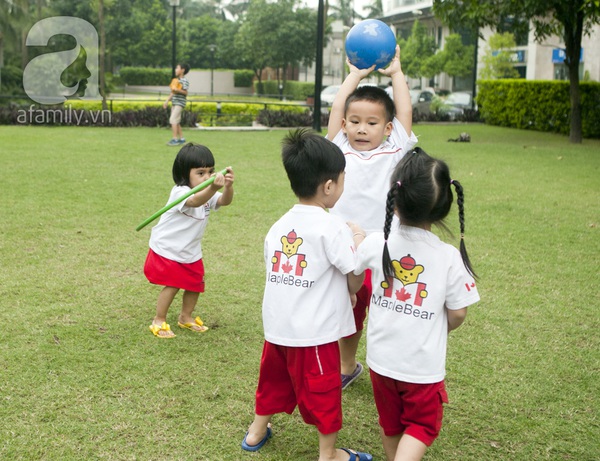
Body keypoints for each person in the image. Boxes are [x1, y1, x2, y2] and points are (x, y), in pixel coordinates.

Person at [242, 129, 372, 461]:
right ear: (329, 186)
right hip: (313, 335)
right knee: (324, 392)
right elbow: (354, 279)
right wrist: (357, 241)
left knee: (272, 381)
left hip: (277, 329)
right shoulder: (333, 227)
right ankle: (329, 454)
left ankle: (256, 431)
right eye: (342, 181)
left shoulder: (278, 226)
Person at [354, 147, 480, 461]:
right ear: (443, 209)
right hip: (421, 367)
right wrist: (439, 325)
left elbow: (353, 276)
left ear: (394, 203)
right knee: (422, 425)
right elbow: (459, 312)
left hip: (381, 362)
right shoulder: (449, 256)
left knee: (391, 422)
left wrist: (357, 239)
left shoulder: (376, 242)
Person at [326, 45, 418, 389]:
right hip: (341, 247)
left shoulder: (395, 151)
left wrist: (395, 74)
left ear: (388, 127)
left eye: (371, 123)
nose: (361, 129)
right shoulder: (338, 148)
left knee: (382, 310)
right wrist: (354, 74)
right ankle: (345, 365)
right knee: (346, 309)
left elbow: (404, 110)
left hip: (381, 247)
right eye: (355, 122)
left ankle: (388, 370)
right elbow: (338, 106)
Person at [144, 143, 234, 338]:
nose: (207, 177)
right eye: (200, 173)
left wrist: (228, 187)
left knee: (195, 283)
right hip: (169, 247)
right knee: (173, 283)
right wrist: (211, 188)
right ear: (185, 173)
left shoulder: (207, 192)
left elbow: (224, 201)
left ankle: (185, 317)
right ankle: (159, 319)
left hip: (190, 250)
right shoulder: (180, 192)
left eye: (210, 171)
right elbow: (194, 201)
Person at [163, 63, 191, 146]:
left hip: (180, 103)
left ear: (182, 70)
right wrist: (167, 101)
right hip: (174, 103)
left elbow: (185, 92)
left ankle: (175, 139)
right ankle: (182, 139)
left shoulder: (184, 81)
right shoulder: (176, 80)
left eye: (177, 68)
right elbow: (172, 92)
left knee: (172, 120)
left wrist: (177, 90)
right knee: (177, 121)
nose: (175, 69)